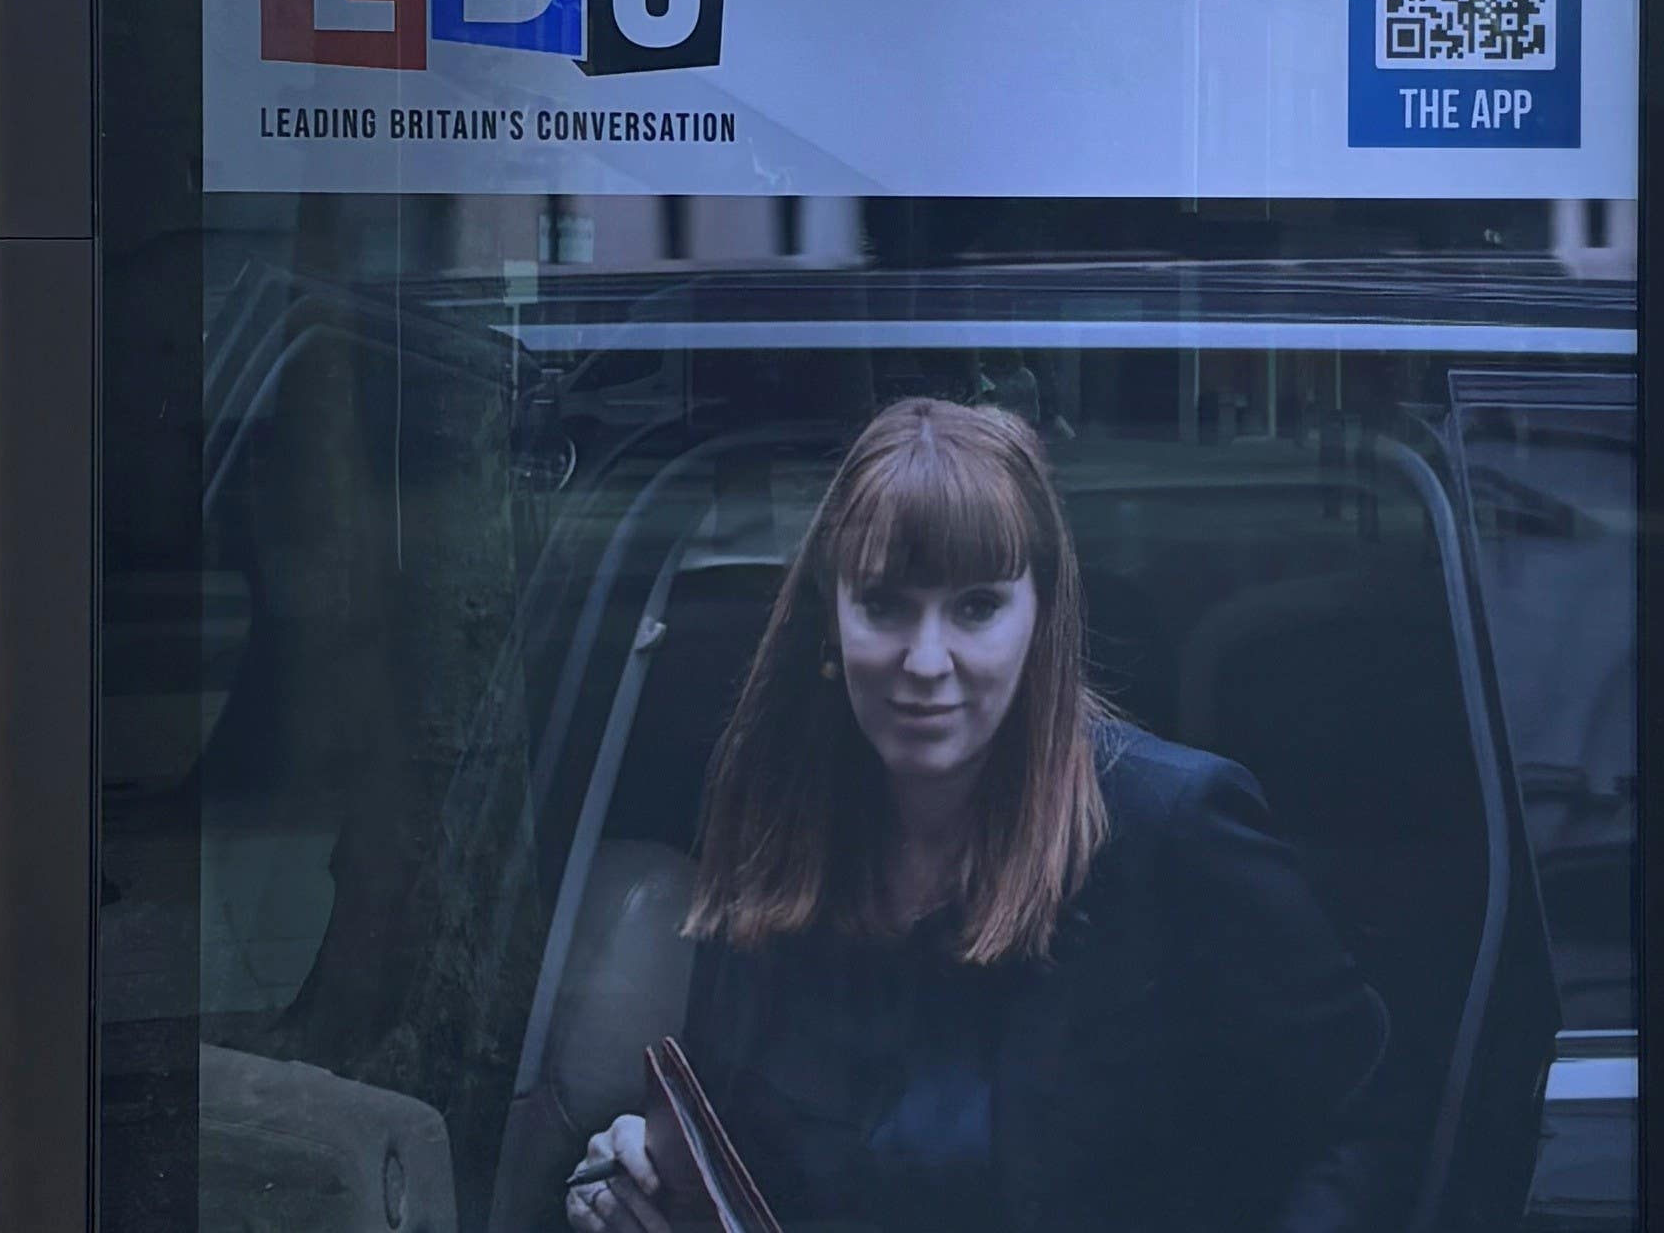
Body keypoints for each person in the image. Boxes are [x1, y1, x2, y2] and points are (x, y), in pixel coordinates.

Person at [570, 397, 1402, 1233]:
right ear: (831, 618)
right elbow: (736, 1156)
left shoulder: (1176, 829)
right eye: (885, 604)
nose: (927, 662)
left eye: (975, 607)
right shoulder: (775, 833)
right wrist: (640, 1171)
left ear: (1040, 617)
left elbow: (1368, 1128)